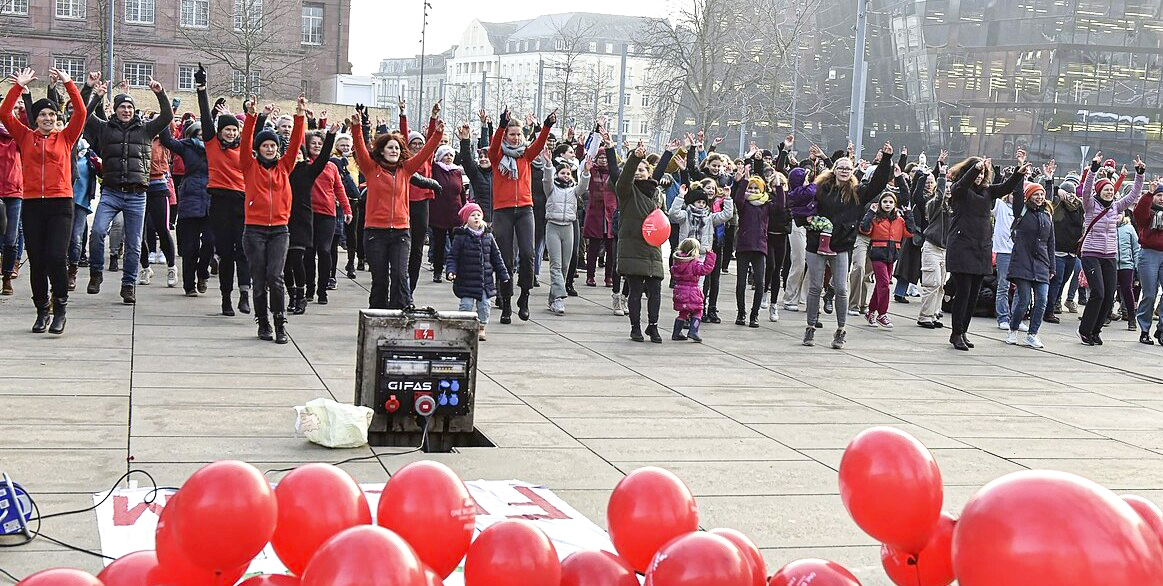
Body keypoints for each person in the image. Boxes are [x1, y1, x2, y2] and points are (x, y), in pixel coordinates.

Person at [0, 67, 87, 333]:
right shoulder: (25, 137)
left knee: (56, 257)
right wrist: (19, 88)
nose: (47, 118)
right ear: (35, 119)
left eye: (51, 114)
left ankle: (60, 307)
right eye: (42, 115)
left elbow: (81, 113)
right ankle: (41, 311)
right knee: (36, 259)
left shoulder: (66, 138)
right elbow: (4, 113)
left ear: (56, 118)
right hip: (32, 203)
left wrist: (69, 83)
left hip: (60, 204)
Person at [84, 74, 173, 304]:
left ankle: (128, 285)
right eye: (122, 107)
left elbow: (167, 116)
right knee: (97, 233)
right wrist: (96, 95)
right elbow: (83, 116)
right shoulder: (105, 129)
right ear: (115, 110)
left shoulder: (145, 130)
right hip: (111, 192)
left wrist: (159, 93)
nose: (126, 110)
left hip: (137, 194)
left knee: (134, 244)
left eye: (129, 107)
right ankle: (95, 273)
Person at [801, 143, 894, 349]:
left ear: (852, 172)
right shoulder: (821, 189)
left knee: (842, 288)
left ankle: (841, 329)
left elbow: (877, 184)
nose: (844, 171)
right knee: (815, 287)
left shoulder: (857, 192)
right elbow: (800, 204)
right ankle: (810, 328)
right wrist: (805, 219)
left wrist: (886, 159)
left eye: (847, 168)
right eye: (840, 167)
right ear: (833, 170)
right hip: (817, 242)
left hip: (842, 244)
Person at [350, 109, 444, 309]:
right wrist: (357, 127)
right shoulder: (370, 168)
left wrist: (437, 134)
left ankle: (398, 315)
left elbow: (426, 152)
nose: (394, 151)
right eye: (390, 148)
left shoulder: (407, 170)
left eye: (397, 148)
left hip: (401, 232)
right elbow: (360, 148)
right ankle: (377, 317)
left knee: (401, 277)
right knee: (380, 280)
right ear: (382, 151)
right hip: (375, 232)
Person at [946, 156, 1027, 351]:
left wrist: (1018, 173)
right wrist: (975, 168)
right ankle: (956, 332)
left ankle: (963, 331)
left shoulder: (987, 192)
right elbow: (961, 186)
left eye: (982, 173)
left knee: (973, 295)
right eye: (976, 172)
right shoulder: (959, 190)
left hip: (980, 249)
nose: (979, 176)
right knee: (963, 293)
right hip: (962, 248)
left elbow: (1005, 187)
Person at [240, 99, 305, 343]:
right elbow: (245, 142)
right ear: (259, 149)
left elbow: (297, 140)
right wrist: (251, 116)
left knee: (275, 277)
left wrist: (299, 116)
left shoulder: (285, 166)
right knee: (259, 279)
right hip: (254, 230)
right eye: (265, 145)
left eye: (273, 145)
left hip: (279, 230)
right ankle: (263, 322)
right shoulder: (249, 166)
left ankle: (279, 322)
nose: (269, 149)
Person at [487, 107, 555, 323]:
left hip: (525, 209)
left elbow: (539, 143)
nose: (515, 138)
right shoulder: (497, 156)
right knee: (505, 259)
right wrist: (500, 125)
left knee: (527, 254)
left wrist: (546, 125)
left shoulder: (526, 155)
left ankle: (524, 297)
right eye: (512, 134)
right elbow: (494, 145)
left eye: (519, 135)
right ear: (506, 136)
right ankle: (506, 302)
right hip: (503, 211)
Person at [1078, 151, 1144, 345]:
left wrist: (1139, 173)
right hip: (1091, 253)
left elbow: (1133, 195)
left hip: (1109, 255)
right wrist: (1094, 168)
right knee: (1098, 292)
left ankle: (1096, 330)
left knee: (1108, 297)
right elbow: (1086, 188)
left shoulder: (1116, 207)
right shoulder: (1090, 205)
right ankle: (1085, 330)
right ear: (1099, 192)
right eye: (1105, 189)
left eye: (1111, 190)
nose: (1109, 192)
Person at [616, 140, 675, 343]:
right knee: (635, 290)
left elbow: (657, 176)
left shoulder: (653, 192)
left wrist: (667, 153)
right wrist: (636, 158)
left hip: (652, 249)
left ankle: (653, 326)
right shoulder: (626, 192)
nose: (639, 172)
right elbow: (624, 179)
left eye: (643, 169)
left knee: (655, 290)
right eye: (636, 170)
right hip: (633, 249)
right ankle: (635, 328)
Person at [284, 125, 339, 314]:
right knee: (286, 264)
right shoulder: (282, 171)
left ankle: (301, 296)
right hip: (283, 220)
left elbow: (323, 158)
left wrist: (330, 136)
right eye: (294, 155)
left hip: (302, 221)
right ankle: (291, 295)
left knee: (298, 258)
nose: (297, 158)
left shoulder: (308, 171)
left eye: (300, 155)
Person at [158, 122, 213, 297]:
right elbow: (166, 140)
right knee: (190, 247)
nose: (203, 137)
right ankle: (189, 285)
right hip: (190, 200)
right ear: (192, 135)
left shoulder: (216, 148)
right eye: (199, 134)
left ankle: (203, 272)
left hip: (211, 201)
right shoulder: (186, 147)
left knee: (210, 243)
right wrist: (167, 114)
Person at [445, 202, 509, 341]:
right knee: (466, 305)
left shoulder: (488, 237)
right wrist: (451, 271)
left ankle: (481, 327)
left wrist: (503, 273)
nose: (476, 218)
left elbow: (496, 257)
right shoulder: (461, 237)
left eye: (478, 215)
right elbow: (452, 257)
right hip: (466, 280)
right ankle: (464, 327)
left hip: (484, 281)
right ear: (466, 219)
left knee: (485, 306)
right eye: (472, 215)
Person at [1004, 177, 1055, 348]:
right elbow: (1018, 195)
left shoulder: (1046, 216)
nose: (1040, 197)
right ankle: (1013, 329)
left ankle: (1032, 334)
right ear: (1029, 196)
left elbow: (1050, 243)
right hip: (1022, 262)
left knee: (1042, 300)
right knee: (1023, 300)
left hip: (1042, 263)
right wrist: (1020, 174)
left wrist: (1052, 267)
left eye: (1042, 194)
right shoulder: (1022, 212)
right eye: (1036, 194)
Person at [538, 151, 591, 315]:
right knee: (556, 264)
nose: (566, 176)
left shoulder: (573, 191)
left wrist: (586, 172)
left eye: (568, 173)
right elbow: (546, 180)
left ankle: (553, 298)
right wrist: (548, 165)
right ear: (557, 174)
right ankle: (560, 298)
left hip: (568, 227)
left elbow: (583, 187)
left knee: (565, 266)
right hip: (553, 226)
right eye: (563, 173)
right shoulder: (551, 189)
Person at [860, 190, 916, 329]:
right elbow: (864, 229)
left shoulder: (899, 220)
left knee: (881, 285)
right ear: (880, 203)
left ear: (895, 205)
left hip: (891, 255)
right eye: (885, 201)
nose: (888, 204)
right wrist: (870, 213)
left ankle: (871, 311)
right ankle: (882, 314)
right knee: (884, 284)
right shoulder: (875, 218)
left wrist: (909, 214)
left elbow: (910, 232)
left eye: (891, 202)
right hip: (877, 254)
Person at [731, 154, 774, 328]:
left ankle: (754, 315)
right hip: (744, 245)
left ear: (763, 190)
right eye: (752, 188)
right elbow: (738, 199)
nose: (754, 191)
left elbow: (780, 206)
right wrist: (743, 181)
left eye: (757, 188)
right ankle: (741, 312)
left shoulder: (766, 205)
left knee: (760, 281)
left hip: (760, 246)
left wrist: (778, 186)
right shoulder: (744, 204)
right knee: (741, 282)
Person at [401, 100, 439, 294]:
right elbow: (403, 134)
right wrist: (403, 114)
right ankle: (400, 283)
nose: (417, 146)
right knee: (403, 247)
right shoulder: (405, 160)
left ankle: (411, 288)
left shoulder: (427, 157)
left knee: (416, 248)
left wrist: (433, 118)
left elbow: (432, 138)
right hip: (404, 203)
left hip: (421, 204)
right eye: (413, 143)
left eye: (419, 143)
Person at [917, 160, 950, 329]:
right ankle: (925, 316)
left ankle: (935, 313)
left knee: (941, 285)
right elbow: (939, 197)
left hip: (945, 250)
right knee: (932, 282)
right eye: (946, 190)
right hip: (932, 247)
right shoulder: (933, 205)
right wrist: (942, 176)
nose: (948, 193)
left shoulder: (953, 208)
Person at [429, 142, 466, 285]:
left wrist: (464, 210)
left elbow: (461, 191)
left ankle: (454, 271)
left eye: (451, 155)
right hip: (439, 212)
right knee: (439, 244)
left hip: (455, 213)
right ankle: (438, 271)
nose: (449, 157)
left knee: (457, 245)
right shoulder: (435, 169)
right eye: (445, 155)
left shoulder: (456, 171)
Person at [670, 237, 717, 342]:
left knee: (683, 312)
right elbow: (706, 269)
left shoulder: (677, 262)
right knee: (698, 311)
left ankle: (676, 332)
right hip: (692, 292)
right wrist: (710, 256)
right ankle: (693, 331)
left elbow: (673, 272)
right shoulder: (694, 263)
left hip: (680, 291)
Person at [584, 146, 618, 288]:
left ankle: (608, 276)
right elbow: (583, 166)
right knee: (593, 248)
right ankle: (590, 276)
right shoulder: (592, 171)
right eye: (601, 157)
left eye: (605, 157)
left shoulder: (615, 174)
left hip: (611, 214)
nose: (603, 160)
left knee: (611, 249)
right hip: (595, 213)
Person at [1134, 184, 1163, 345]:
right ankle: (1145, 330)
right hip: (1149, 254)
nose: (1162, 199)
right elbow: (1138, 214)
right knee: (1150, 294)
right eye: (1159, 195)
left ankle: (1162, 329)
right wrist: (1148, 195)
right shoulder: (1148, 212)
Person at [0, 116, 21, 296]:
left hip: (14, 193)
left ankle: (6, 277)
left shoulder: (17, 138)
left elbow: (28, 123)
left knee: (11, 238)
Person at [1116, 212, 1139, 331]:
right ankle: (1105, 315)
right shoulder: (1108, 228)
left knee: (1127, 290)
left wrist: (1136, 266)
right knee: (1109, 291)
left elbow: (1136, 248)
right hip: (1111, 265)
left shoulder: (1129, 228)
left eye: (1119, 213)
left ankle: (1131, 317)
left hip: (1126, 265)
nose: (1117, 216)